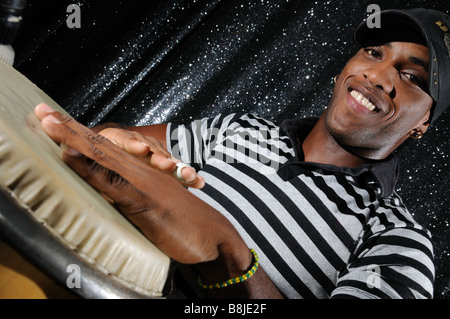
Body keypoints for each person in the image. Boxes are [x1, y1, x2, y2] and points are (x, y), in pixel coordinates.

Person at [34, 8, 449, 299]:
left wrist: (227, 256)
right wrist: (114, 141)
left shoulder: (398, 240)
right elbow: (117, 138)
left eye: (411, 76)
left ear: (423, 123)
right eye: (374, 53)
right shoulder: (241, 128)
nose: (377, 75)